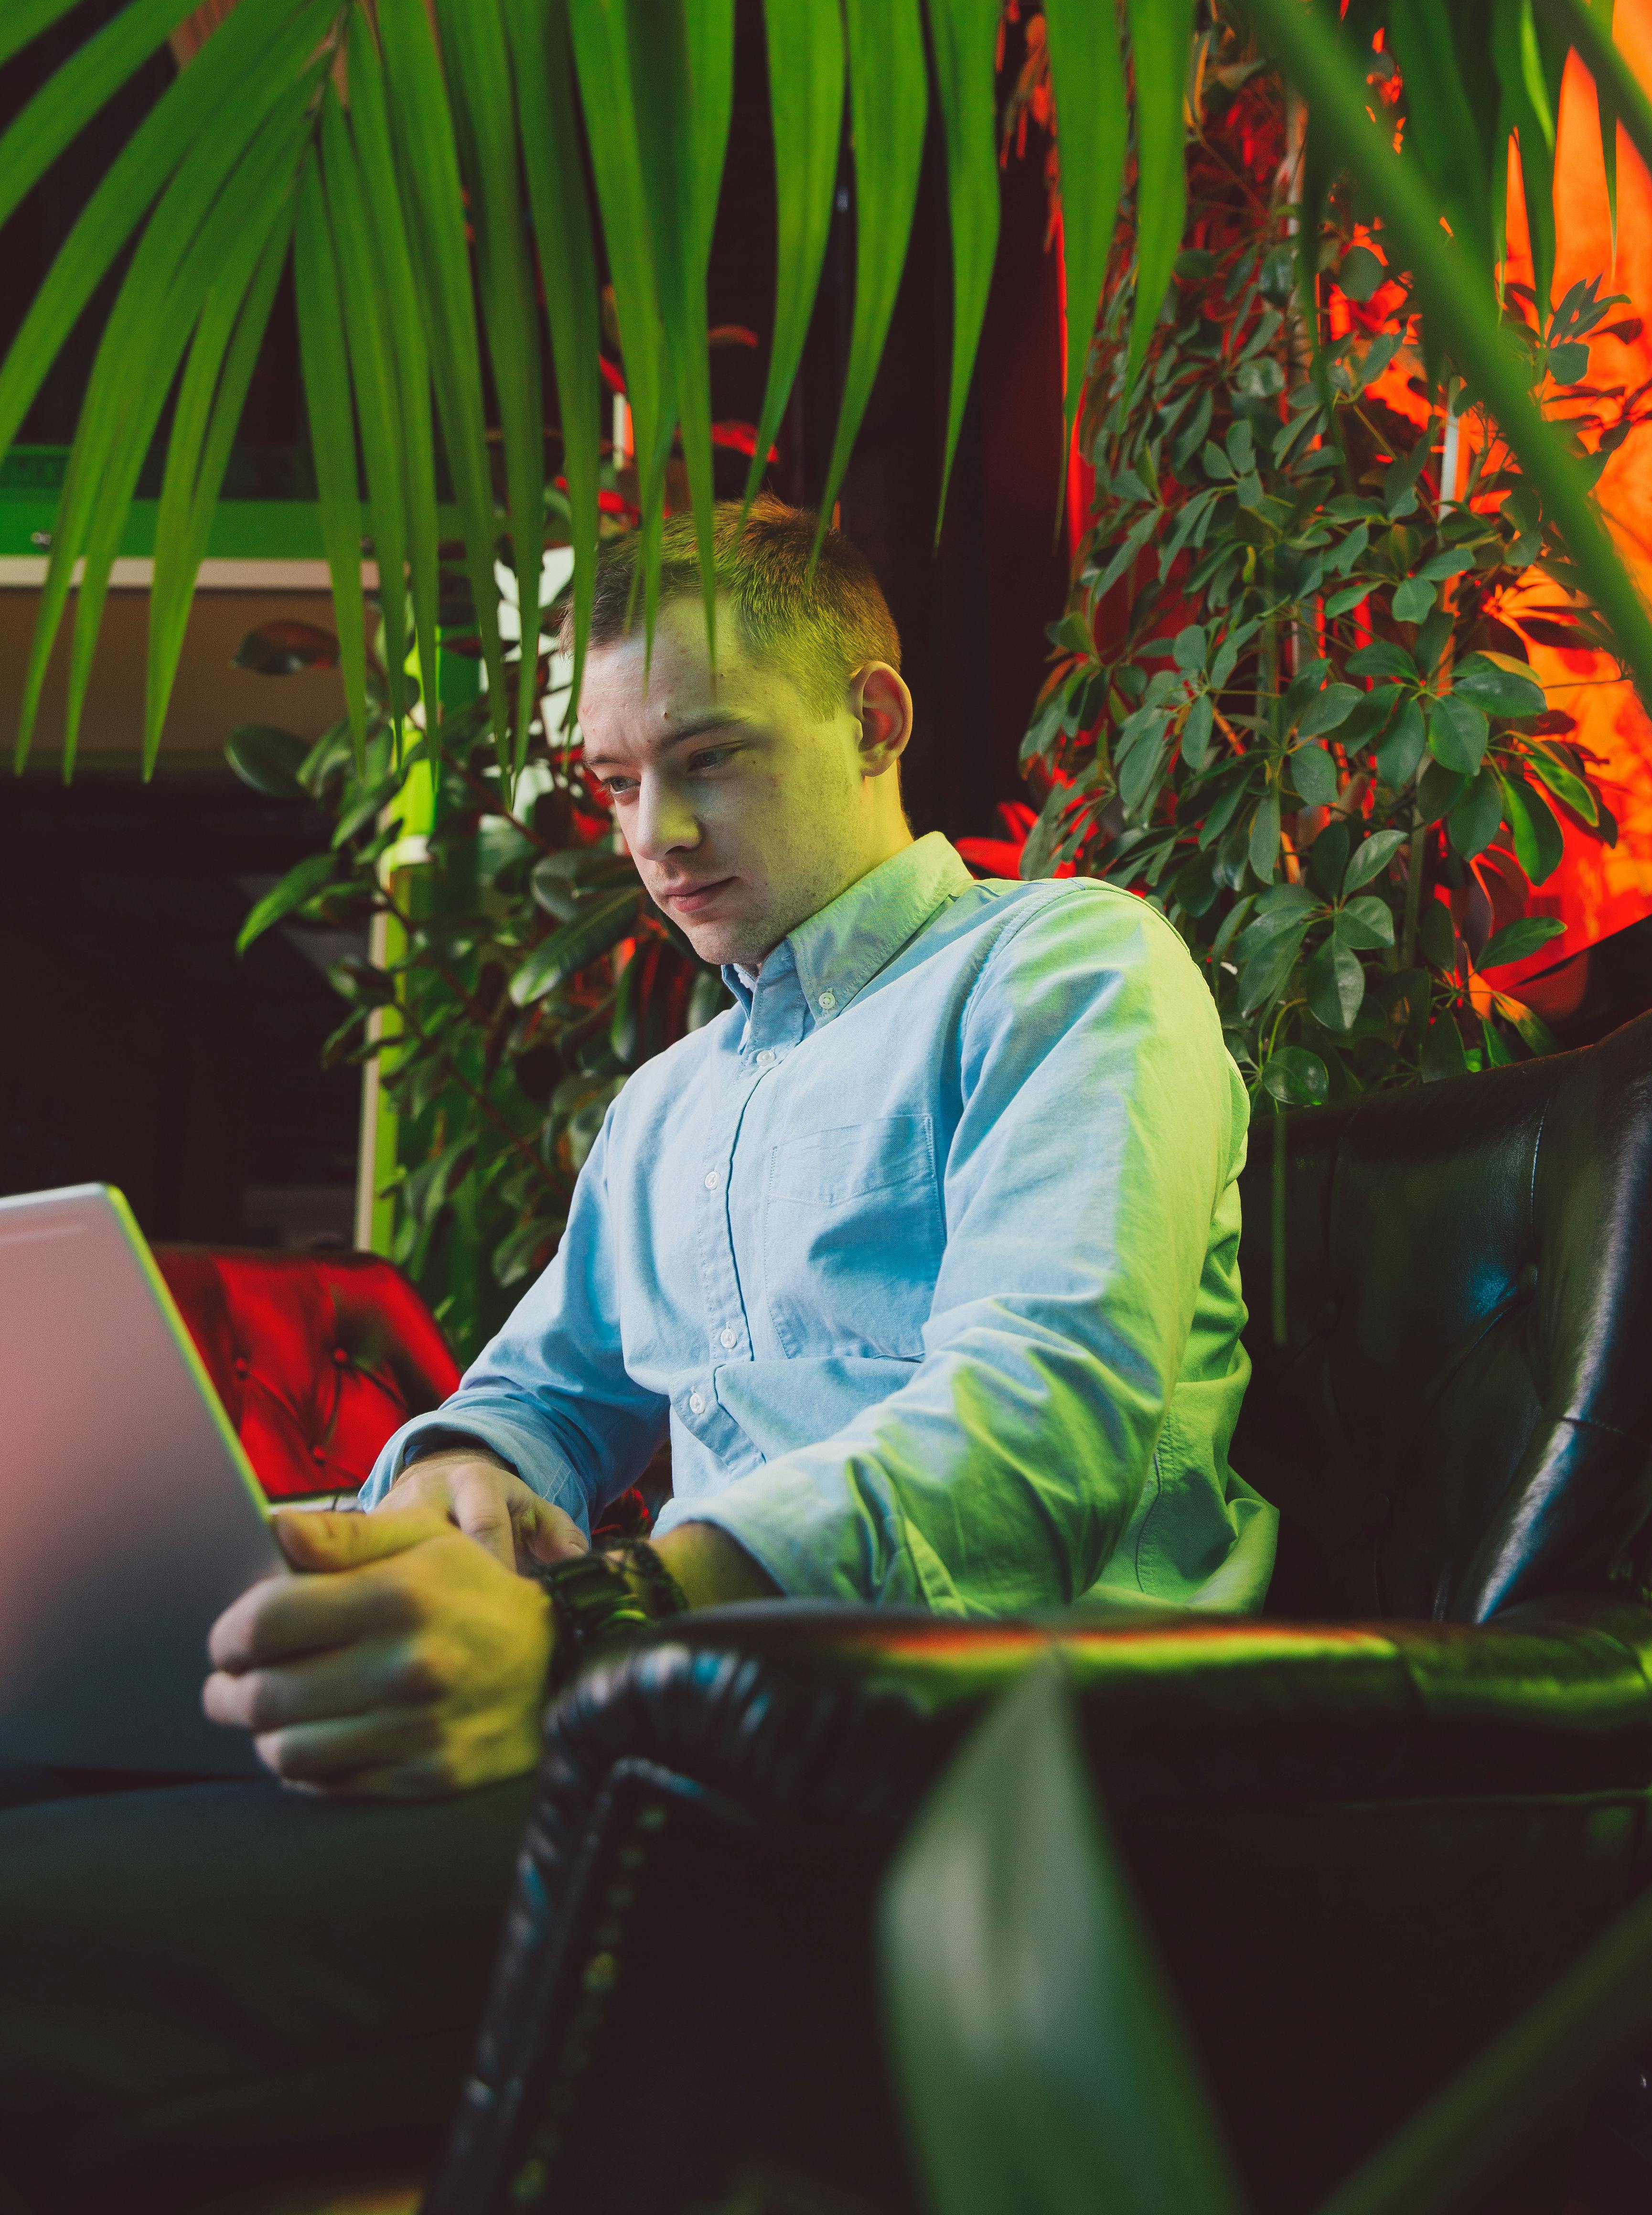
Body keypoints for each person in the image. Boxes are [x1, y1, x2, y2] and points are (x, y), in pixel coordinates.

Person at [0, 498, 1270, 2212]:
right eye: (612, 783)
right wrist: (459, 1486)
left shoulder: (1068, 968)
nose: (654, 834)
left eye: (708, 758)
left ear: (875, 719)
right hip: (678, 1728)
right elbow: (534, 1395)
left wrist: (591, 1622)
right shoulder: (668, 1107)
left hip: (966, 1769)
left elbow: (1039, 1422)